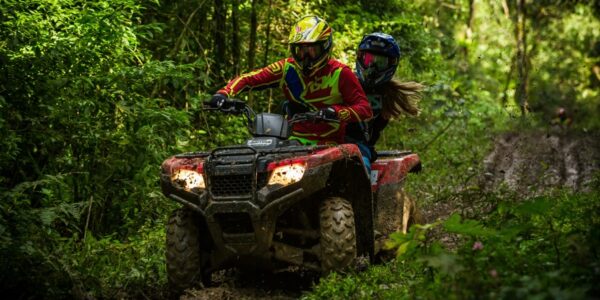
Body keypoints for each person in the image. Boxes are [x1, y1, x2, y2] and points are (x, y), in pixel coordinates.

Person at [209, 16, 372, 146]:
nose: (305, 57)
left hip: (329, 145)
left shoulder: (340, 72)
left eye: (311, 50)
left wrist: (335, 112)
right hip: (291, 141)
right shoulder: (286, 68)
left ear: (325, 47)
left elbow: (364, 109)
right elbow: (248, 79)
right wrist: (223, 94)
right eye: (300, 50)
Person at [345, 32, 423, 168]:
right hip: (330, 142)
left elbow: (375, 131)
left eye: (380, 62)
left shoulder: (388, 95)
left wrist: (368, 147)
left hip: (359, 150)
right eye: (369, 60)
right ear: (360, 57)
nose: (372, 67)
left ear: (391, 64)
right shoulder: (345, 82)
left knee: (360, 169)